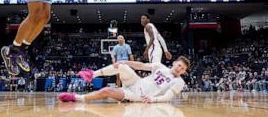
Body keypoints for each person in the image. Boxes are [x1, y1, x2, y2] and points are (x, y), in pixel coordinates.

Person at [58, 56, 190, 103]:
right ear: (174, 63)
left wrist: (153, 99)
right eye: (179, 65)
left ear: (184, 72)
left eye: (182, 69)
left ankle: (75, 97)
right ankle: (93, 74)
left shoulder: (179, 82)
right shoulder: (160, 66)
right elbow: (141, 65)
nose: (179, 69)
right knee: (121, 66)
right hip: (137, 82)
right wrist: (124, 61)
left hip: (138, 95)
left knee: (106, 91)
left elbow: (167, 97)